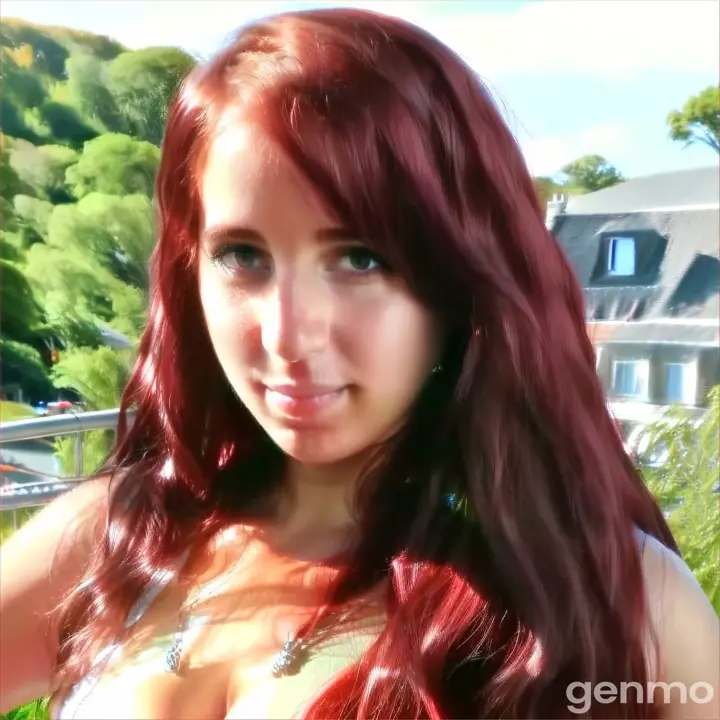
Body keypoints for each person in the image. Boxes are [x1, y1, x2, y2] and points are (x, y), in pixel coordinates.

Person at [1, 7, 717, 720]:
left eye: (359, 258)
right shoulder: (110, 540)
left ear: (461, 280)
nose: (286, 335)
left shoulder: (621, 605)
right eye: (242, 255)